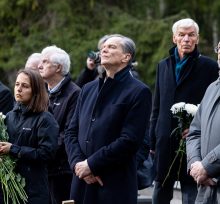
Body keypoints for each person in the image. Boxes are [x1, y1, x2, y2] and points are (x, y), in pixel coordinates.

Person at [65, 34, 152, 204]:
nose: (104, 49)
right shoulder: (87, 89)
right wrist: (78, 164)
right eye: (103, 47)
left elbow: (129, 141)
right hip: (81, 181)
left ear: (126, 57)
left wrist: (91, 164)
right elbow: (71, 132)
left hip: (113, 183)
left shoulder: (139, 92)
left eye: (112, 47)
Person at [149, 18, 219, 204]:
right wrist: (153, 139)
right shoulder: (163, 65)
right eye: (182, 35)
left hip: (192, 141)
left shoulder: (209, 66)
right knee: (160, 189)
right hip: (164, 140)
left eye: (191, 35)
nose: (186, 39)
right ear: (174, 38)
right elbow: (157, 105)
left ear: (197, 38)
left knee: (190, 189)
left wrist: (198, 130)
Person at [0, 69, 59, 204]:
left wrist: (14, 149)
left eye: (25, 86)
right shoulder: (9, 116)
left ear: (36, 91)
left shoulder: (45, 119)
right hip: (8, 190)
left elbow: (47, 154)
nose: (19, 89)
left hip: (33, 192)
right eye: (17, 84)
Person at [38, 45, 81, 204]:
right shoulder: (40, 92)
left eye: (45, 61)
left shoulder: (75, 93)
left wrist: (42, 151)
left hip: (61, 170)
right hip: (40, 167)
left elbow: (69, 132)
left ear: (58, 67)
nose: (39, 65)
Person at [186, 41, 220, 204]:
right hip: (207, 186)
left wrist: (207, 166)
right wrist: (195, 164)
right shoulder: (212, 88)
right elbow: (195, 132)